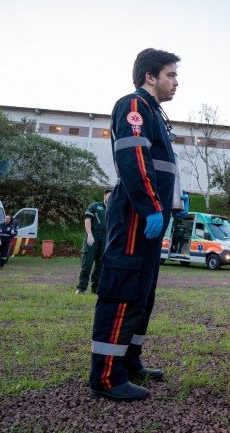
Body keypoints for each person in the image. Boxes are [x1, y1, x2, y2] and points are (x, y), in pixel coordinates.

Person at [89, 48, 188, 402]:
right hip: (135, 213)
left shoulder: (155, 113)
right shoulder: (133, 106)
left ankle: (129, 362)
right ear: (150, 77)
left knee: (143, 291)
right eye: (171, 75)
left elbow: (160, 164)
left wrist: (173, 200)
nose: (176, 82)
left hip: (152, 214)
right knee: (122, 288)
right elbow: (133, 158)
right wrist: (150, 207)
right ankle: (105, 376)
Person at [76, 190, 111, 294]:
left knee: (101, 264)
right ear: (104, 196)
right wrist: (90, 234)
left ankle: (95, 289)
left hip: (106, 237)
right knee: (87, 263)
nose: (110, 197)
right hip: (93, 235)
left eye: (112, 196)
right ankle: (81, 287)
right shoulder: (95, 206)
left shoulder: (114, 208)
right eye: (108, 195)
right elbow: (87, 220)